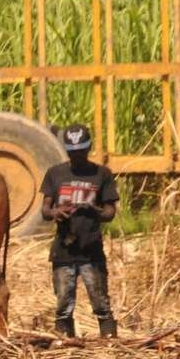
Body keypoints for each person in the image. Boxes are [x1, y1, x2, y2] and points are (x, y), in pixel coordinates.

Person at [41, 124, 119, 338]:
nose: (76, 156)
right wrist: (56, 212)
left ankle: (110, 343)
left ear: (88, 148)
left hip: (91, 250)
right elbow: (45, 210)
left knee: (101, 303)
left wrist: (96, 211)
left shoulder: (102, 174)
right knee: (63, 305)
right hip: (64, 250)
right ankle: (66, 344)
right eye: (72, 153)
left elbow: (111, 212)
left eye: (81, 152)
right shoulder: (55, 173)